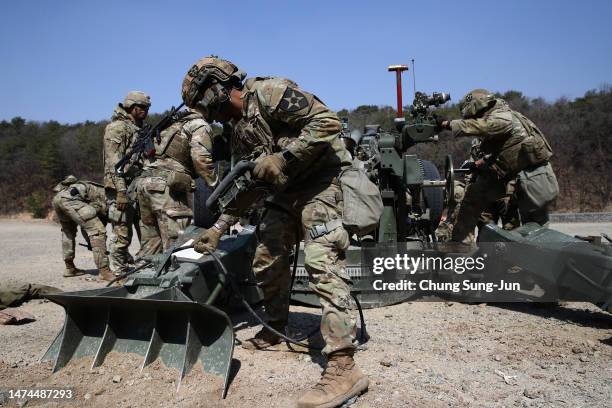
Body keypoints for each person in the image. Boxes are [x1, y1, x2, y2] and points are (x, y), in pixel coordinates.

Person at [181, 56, 368, 408]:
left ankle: (344, 367)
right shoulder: (238, 130)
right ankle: (275, 327)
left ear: (216, 87)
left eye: (203, 104)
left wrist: (284, 157)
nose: (208, 115)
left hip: (322, 182)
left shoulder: (270, 93)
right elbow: (249, 183)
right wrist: (219, 228)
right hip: (286, 193)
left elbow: (328, 121)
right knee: (266, 257)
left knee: (320, 259)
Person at [437, 89, 555, 242]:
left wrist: (447, 124)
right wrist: (479, 164)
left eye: (474, 115)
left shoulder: (502, 117)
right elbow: (505, 151)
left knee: (534, 229)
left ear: (480, 108)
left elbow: (483, 126)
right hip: (507, 176)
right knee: (470, 201)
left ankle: (528, 262)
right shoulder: (500, 117)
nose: (473, 118)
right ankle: (460, 251)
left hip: (531, 179)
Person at [136, 108, 218, 253]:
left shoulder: (170, 125)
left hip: (145, 184)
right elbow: (201, 160)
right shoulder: (199, 124)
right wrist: (216, 188)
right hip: (166, 189)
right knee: (178, 246)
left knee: (151, 246)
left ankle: (145, 275)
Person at [103, 91, 150, 274]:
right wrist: (121, 192)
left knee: (146, 232)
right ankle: (118, 272)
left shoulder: (139, 129)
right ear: (132, 107)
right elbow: (114, 163)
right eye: (143, 108)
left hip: (138, 187)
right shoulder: (117, 128)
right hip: (119, 189)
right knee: (121, 234)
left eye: (147, 108)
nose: (146, 111)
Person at [52, 175, 113, 280]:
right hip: (71, 200)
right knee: (97, 231)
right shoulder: (106, 196)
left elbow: (85, 225)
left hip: (58, 198)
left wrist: (90, 242)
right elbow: (93, 223)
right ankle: (105, 272)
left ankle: (69, 268)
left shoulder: (85, 188)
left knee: (68, 232)